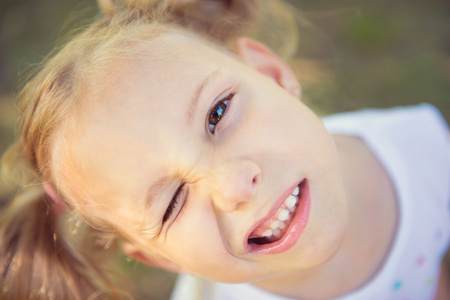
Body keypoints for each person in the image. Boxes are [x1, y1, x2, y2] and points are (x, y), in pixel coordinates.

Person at [0, 0, 448, 299]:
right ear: (159, 258)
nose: (234, 184)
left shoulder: (419, 143)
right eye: (173, 202)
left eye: (217, 114)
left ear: (271, 73)